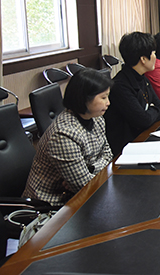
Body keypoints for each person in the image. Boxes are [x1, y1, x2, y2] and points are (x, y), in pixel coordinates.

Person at [23, 69, 113, 206]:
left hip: (79, 196)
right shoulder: (63, 135)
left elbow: (108, 155)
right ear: (84, 99)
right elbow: (84, 186)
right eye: (103, 98)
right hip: (49, 206)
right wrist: (92, 173)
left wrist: (90, 169)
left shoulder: (97, 119)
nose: (108, 103)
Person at [104, 32, 160, 156]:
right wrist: (152, 111)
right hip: (126, 149)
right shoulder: (120, 86)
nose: (155, 57)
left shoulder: (142, 78)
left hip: (144, 138)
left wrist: (150, 112)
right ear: (143, 59)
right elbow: (143, 120)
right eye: (153, 53)